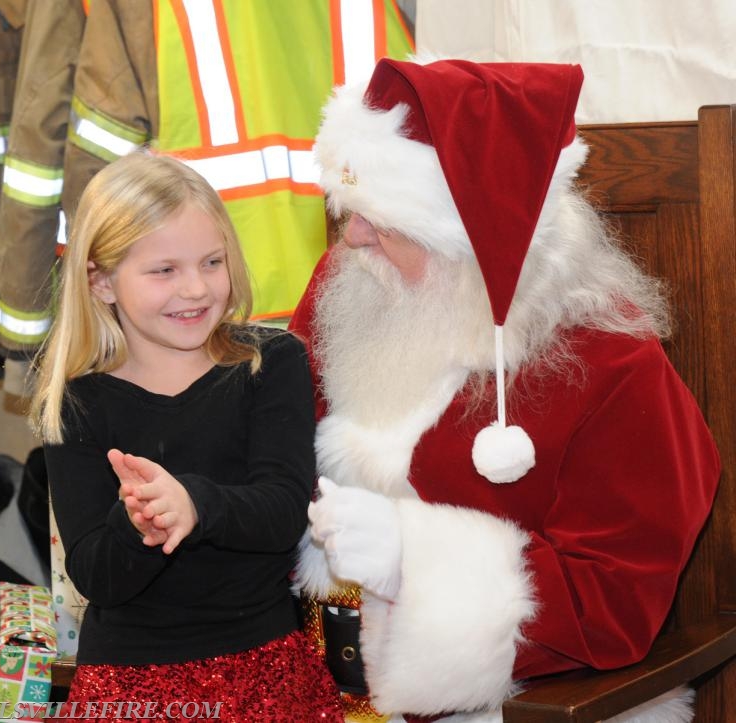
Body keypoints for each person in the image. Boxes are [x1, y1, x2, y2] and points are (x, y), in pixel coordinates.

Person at [289, 58, 720, 723]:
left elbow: (612, 599)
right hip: (313, 678)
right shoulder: (350, 288)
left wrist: (411, 557)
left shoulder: (613, 367)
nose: (352, 236)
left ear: (471, 240)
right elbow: (273, 456)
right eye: (349, 209)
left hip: (510, 703)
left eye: (383, 216)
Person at [30, 151, 343, 722]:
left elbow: (281, 512)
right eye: (164, 270)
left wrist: (194, 503)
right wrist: (141, 523)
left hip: (266, 672)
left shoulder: (269, 363)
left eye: (212, 262)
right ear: (101, 281)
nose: (196, 289)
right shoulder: (76, 399)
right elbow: (97, 575)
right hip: (128, 688)